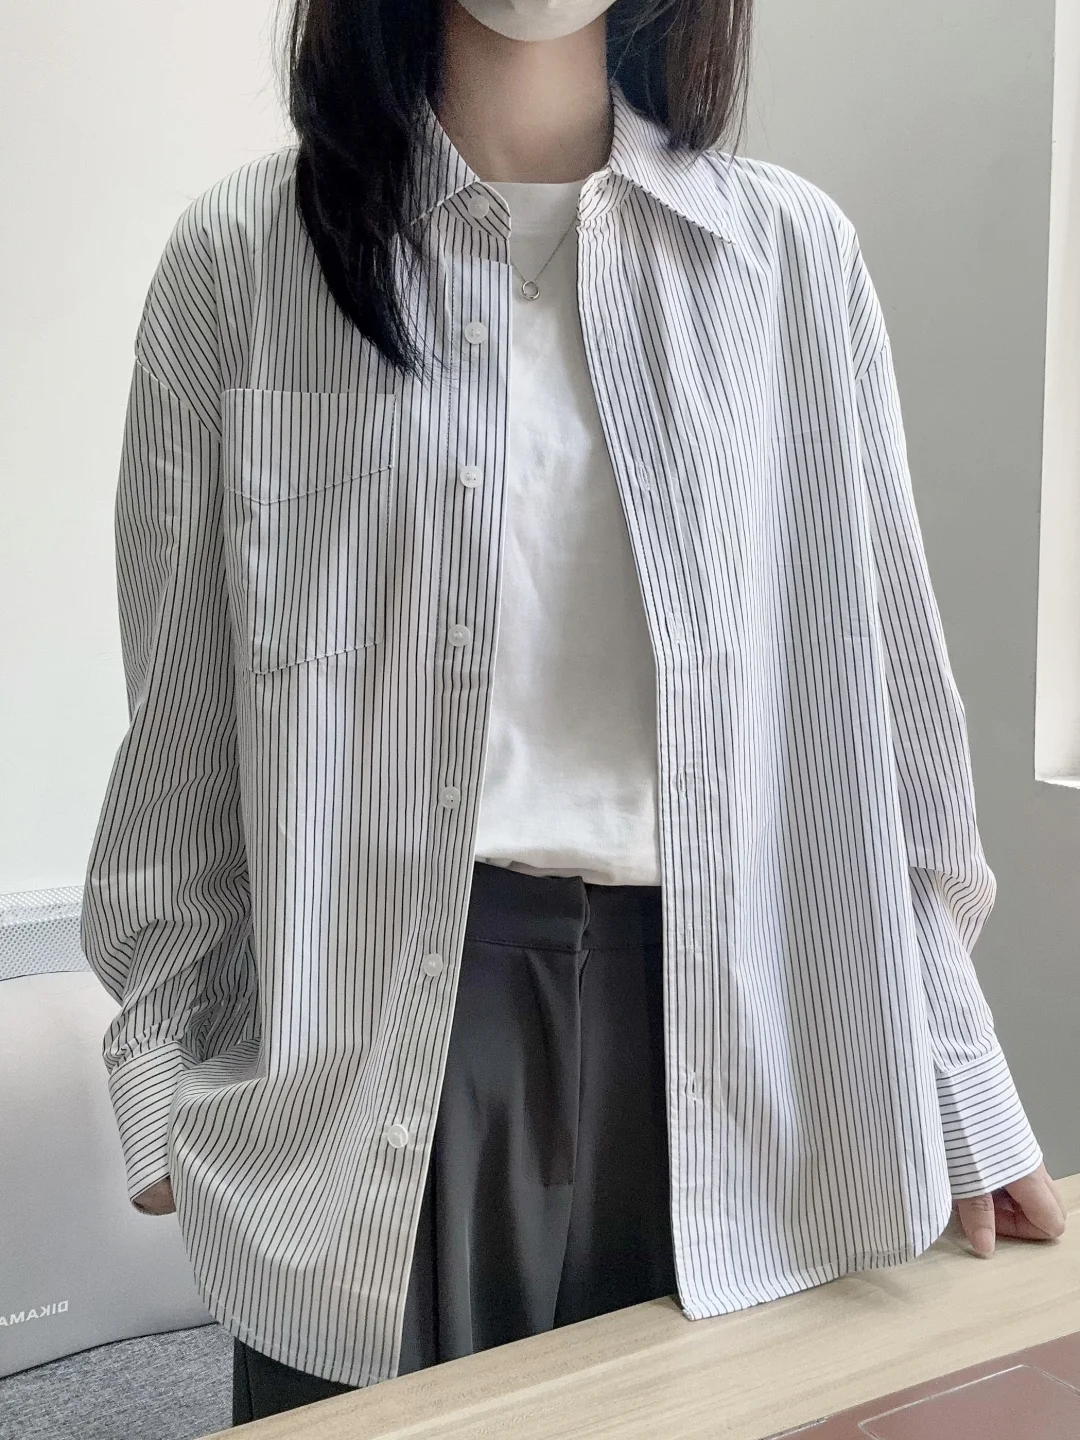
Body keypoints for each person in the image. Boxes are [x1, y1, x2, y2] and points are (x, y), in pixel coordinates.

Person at [80, 0, 1068, 1425]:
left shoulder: (788, 261)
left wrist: (956, 1070)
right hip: (368, 1041)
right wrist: (161, 1072)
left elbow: (880, 715)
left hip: (735, 1036)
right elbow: (182, 725)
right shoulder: (241, 259)